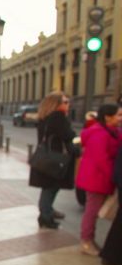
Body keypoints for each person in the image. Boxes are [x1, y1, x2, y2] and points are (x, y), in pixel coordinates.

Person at [76, 104, 122, 256]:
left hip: (102, 177)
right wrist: (115, 177)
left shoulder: (113, 131)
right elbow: (101, 160)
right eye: (119, 115)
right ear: (108, 117)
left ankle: (89, 240)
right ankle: (86, 241)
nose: (121, 118)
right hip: (96, 178)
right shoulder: (99, 134)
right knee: (92, 211)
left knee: (93, 211)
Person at [28, 92, 76, 230]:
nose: (68, 104)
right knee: (51, 187)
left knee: (48, 187)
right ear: (56, 104)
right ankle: (45, 217)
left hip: (47, 158)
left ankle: (47, 211)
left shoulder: (45, 116)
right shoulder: (58, 117)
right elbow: (68, 135)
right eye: (65, 102)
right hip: (54, 160)